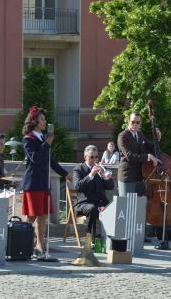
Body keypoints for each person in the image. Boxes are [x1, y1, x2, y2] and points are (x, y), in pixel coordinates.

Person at [21, 105, 72, 256]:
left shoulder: (43, 138)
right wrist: (47, 144)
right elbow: (35, 158)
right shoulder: (28, 139)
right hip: (33, 182)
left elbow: (50, 160)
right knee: (31, 216)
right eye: (42, 119)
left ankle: (40, 245)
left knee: (43, 215)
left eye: (44, 119)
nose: (45, 121)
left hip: (43, 182)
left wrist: (64, 173)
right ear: (34, 121)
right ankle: (24, 242)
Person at [73, 145, 114, 239]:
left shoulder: (100, 170)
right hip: (84, 203)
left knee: (114, 208)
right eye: (91, 157)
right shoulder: (79, 169)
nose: (94, 159)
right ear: (85, 157)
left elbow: (110, 187)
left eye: (96, 157)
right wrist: (91, 174)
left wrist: (106, 176)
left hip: (100, 202)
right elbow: (77, 187)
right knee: (93, 209)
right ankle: (90, 237)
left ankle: (109, 238)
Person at [117, 112, 161, 197]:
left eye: (138, 122)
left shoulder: (140, 134)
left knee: (139, 206)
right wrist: (149, 157)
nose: (135, 124)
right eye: (133, 122)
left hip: (141, 176)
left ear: (140, 123)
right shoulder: (122, 136)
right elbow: (129, 156)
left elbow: (152, 148)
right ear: (128, 121)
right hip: (128, 177)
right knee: (127, 206)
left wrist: (157, 139)